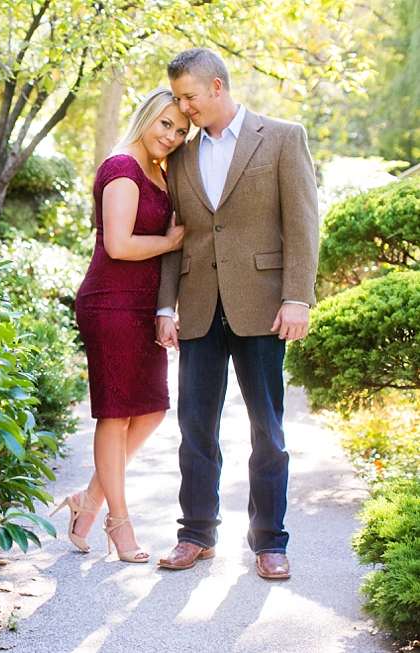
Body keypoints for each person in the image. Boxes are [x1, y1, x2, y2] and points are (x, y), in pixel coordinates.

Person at [154, 48, 319, 579]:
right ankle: (196, 535)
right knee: (194, 427)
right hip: (199, 307)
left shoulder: (283, 137)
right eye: (178, 98)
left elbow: (303, 224)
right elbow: (176, 238)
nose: (183, 108)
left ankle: (270, 541)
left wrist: (298, 297)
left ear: (217, 87)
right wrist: (165, 306)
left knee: (267, 428)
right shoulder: (180, 157)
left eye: (189, 96)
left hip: (263, 307)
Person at [51, 87, 189, 563]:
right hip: (110, 303)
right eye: (165, 124)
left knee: (150, 410)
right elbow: (119, 245)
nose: (171, 136)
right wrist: (170, 243)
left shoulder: (160, 172)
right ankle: (118, 522)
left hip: (143, 306)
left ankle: (87, 501)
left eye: (181, 131)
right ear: (147, 116)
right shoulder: (122, 168)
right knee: (116, 413)